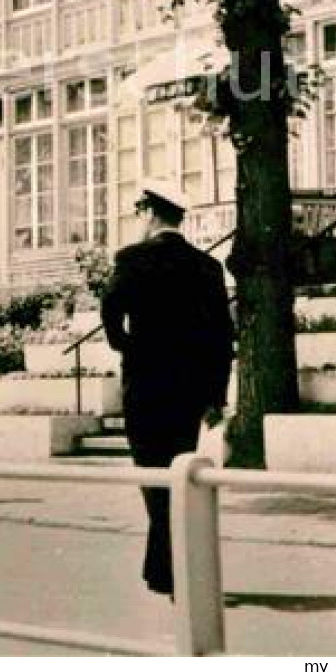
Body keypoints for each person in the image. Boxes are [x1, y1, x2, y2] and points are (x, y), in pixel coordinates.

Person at [103, 180, 234, 600]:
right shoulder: (208, 268)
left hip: (144, 386)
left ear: (149, 213)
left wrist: (125, 345)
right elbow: (222, 338)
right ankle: (162, 569)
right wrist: (216, 396)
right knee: (177, 470)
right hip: (190, 391)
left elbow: (110, 311)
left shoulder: (131, 259)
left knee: (152, 474)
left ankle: (173, 569)